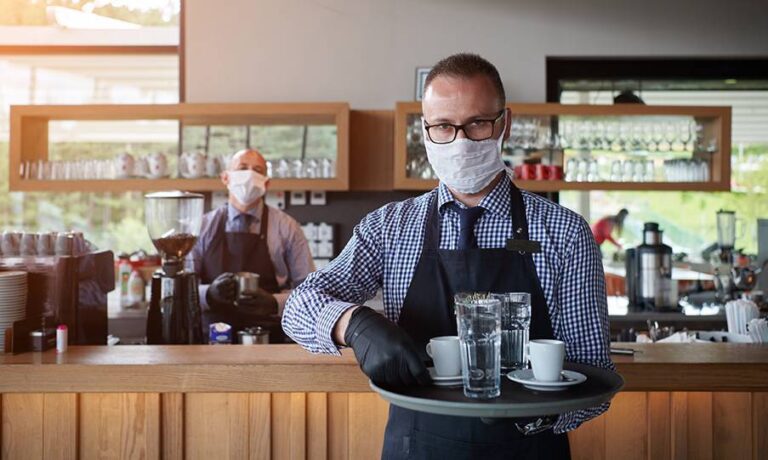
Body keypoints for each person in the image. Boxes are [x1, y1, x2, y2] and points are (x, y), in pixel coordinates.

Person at [283, 53, 613, 459]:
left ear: (504, 124)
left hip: (530, 447)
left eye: (476, 123)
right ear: (424, 130)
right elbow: (298, 305)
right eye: (442, 126)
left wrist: (532, 418)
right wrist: (352, 324)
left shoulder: (565, 233)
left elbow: (595, 373)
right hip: (416, 445)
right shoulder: (389, 228)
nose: (459, 140)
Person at [190, 148, 314, 340]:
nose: (249, 175)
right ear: (225, 178)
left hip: (271, 340)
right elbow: (181, 290)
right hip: (211, 341)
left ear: (266, 182)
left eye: (257, 170)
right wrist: (209, 294)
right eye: (242, 168)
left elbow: (311, 292)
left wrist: (274, 302)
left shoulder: (288, 228)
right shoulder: (201, 227)